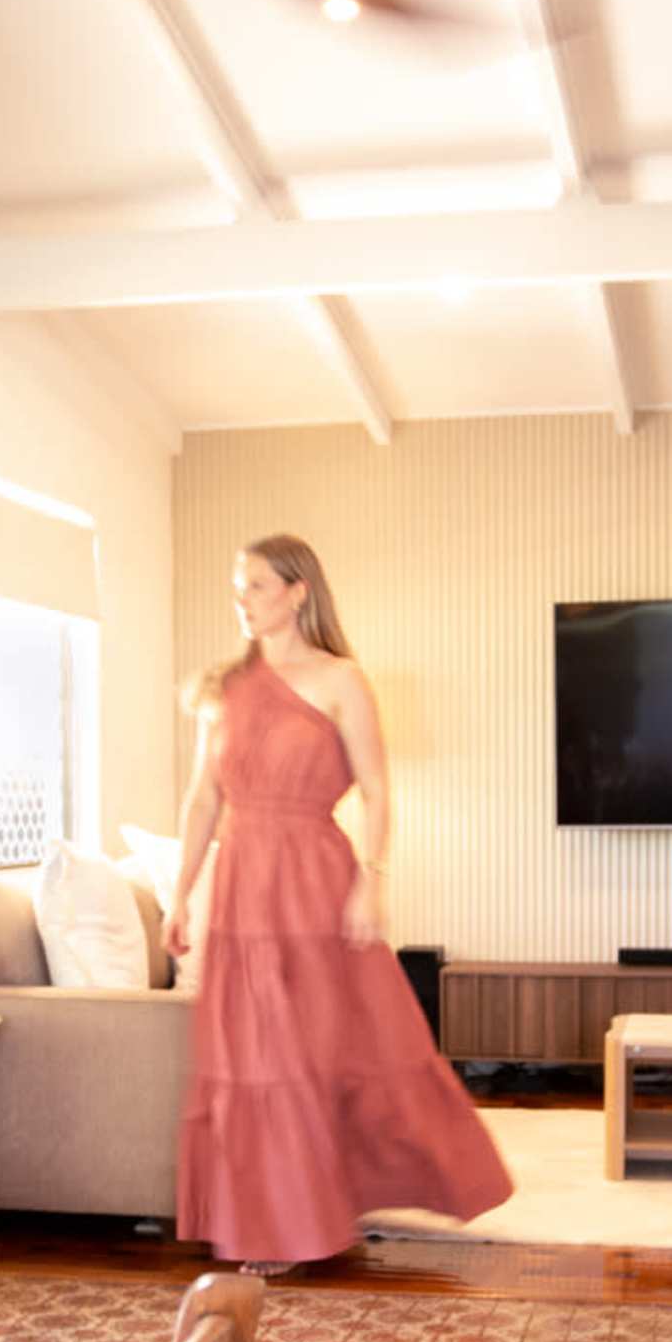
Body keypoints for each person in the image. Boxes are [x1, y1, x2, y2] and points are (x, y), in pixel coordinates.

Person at [169, 534, 511, 1271]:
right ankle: (277, 1224)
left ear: (298, 591)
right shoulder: (223, 688)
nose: (243, 599)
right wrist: (180, 894)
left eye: (256, 585)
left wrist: (371, 879)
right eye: (238, 587)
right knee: (257, 1058)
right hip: (240, 890)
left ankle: (328, 1204)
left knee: (326, 1045)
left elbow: (378, 790)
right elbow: (202, 800)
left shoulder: (341, 679)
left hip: (314, 883)